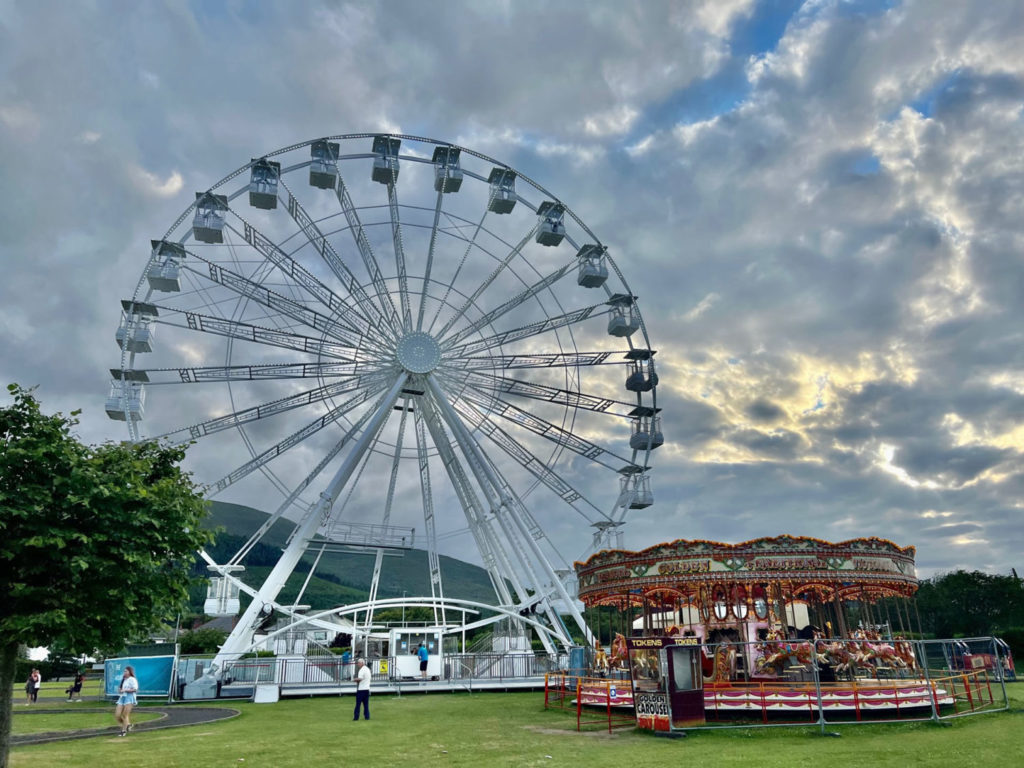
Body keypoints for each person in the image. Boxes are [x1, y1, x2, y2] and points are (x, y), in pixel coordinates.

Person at [114, 665, 139, 736]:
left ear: (129, 672)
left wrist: (125, 690)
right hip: (122, 697)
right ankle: (128, 724)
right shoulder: (124, 679)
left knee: (125, 715)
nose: (124, 672)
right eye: (124, 671)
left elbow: (135, 689)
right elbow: (121, 688)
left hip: (129, 697)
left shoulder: (132, 679)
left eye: (126, 671)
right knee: (117, 715)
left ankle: (123, 731)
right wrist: (120, 690)